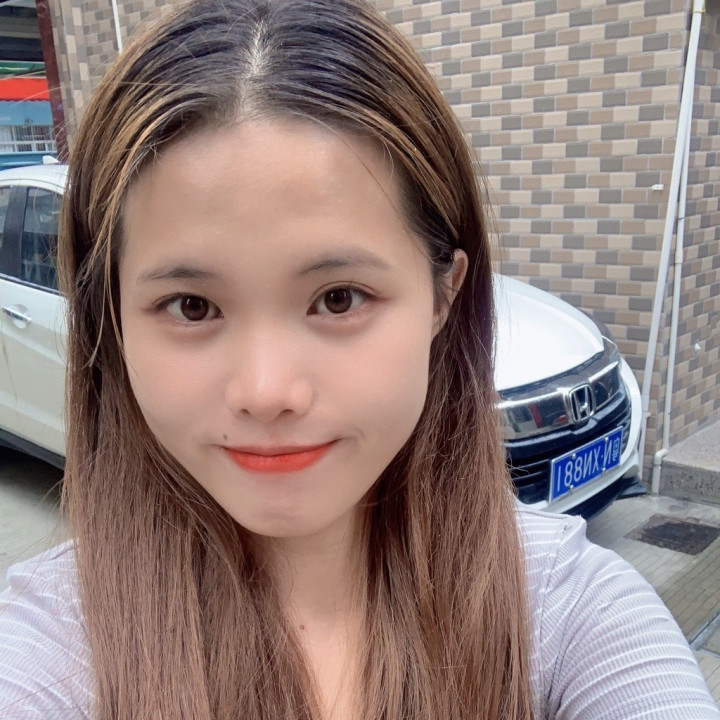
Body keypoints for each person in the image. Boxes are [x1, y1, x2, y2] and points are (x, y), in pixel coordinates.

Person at [0, 0, 717, 717]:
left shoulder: (568, 611)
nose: (266, 390)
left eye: (338, 298)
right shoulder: (52, 642)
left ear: (443, 296)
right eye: (191, 306)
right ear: (112, 321)